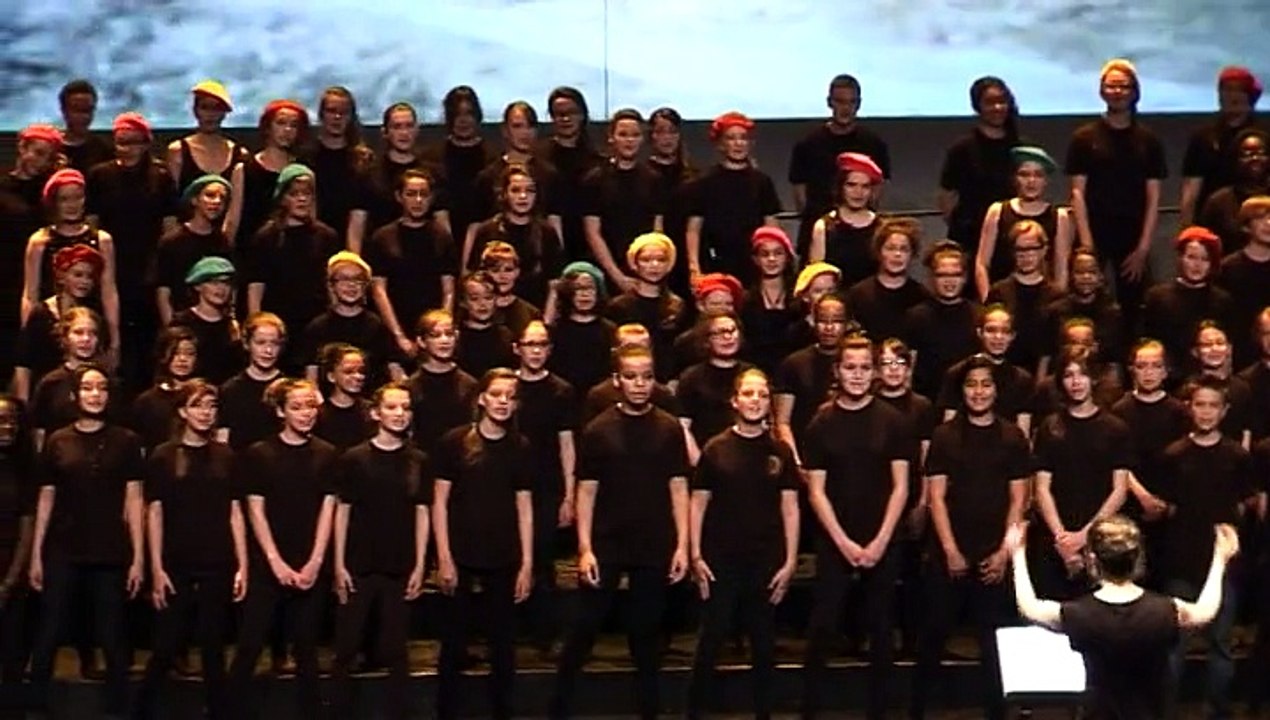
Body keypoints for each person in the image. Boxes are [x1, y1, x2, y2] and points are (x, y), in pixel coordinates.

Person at [551, 344, 690, 720]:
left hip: (654, 542)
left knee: (646, 636)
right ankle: (558, 709)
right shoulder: (599, 430)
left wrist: (683, 545)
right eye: (631, 377)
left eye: (646, 377)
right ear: (617, 380)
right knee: (584, 628)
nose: (639, 384)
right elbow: (586, 491)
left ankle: (649, 712)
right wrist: (585, 548)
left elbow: (679, 487)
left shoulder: (668, 428)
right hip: (608, 542)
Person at [1007, 516, 1240, 720]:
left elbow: (1030, 607)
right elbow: (1205, 610)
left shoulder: (1079, 613)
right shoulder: (1165, 610)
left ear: (1092, 560)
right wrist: (1220, 559)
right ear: (1137, 557)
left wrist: (1017, 554)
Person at [911, 354, 1030, 720]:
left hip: (994, 553)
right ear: (961, 390)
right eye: (971, 385)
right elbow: (936, 497)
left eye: (986, 384)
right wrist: (950, 550)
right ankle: (917, 711)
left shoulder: (1012, 436)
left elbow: (1019, 499)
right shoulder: (945, 435)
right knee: (932, 635)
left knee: (995, 643)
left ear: (996, 390)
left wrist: (1004, 553)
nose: (979, 392)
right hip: (949, 551)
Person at [802, 335, 910, 720]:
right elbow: (816, 491)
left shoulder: (893, 421)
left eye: (865, 367)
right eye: (850, 367)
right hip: (835, 538)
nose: (858, 375)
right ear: (837, 370)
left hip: (883, 537)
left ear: (875, 372)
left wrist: (880, 540)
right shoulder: (821, 423)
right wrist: (843, 542)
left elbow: (901, 486)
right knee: (823, 625)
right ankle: (810, 711)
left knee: (881, 627)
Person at [27, 363, 144, 718]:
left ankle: (118, 710)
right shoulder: (58, 440)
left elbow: (134, 500)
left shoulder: (126, 441)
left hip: (109, 549)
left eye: (102, 388)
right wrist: (36, 554)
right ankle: (35, 708)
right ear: (76, 395)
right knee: (49, 631)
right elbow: (46, 498)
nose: (96, 394)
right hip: (64, 548)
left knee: (112, 635)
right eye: (89, 388)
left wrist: (138, 556)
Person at [685, 369, 799, 720]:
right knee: (711, 639)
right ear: (735, 401)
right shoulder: (716, 448)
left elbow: (790, 507)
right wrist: (695, 554)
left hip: (765, 560)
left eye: (762, 395)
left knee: (764, 643)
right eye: (748, 394)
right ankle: (695, 712)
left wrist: (790, 561)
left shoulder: (779, 451)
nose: (755, 401)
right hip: (721, 560)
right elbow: (698, 504)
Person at [134, 380, 247, 720]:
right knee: (166, 646)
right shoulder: (164, 456)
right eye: (198, 405)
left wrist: (242, 564)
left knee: (213, 648)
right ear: (183, 411)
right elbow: (154, 513)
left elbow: (235, 511)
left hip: (217, 560)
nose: (206, 413)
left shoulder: (226, 455)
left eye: (211, 406)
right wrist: (156, 568)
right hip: (176, 562)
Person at [226, 378, 337, 719]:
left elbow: (328, 509)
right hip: (268, 564)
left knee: (306, 650)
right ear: (280, 411)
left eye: (310, 406)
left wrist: (315, 561)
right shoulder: (260, 454)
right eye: (297, 407)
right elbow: (255, 510)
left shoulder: (327, 454)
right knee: (250, 645)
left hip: (309, 563)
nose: (306, 414)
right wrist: (275, 562)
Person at [433, 369, 533, 720]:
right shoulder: (455, 442)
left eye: (510, 396)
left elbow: (524, 506)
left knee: (503, 644)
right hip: (461, 551)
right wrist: (444, 556)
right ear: (482, 399)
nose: (503, 402)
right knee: (454, 642)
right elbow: (440, 502)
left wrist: (527, 563)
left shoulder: (520, 447)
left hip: (503, 554)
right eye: (496, 394)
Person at [1156, 376, 1256, 719]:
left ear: (1224, 410)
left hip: (1222, 564)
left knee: (1221, 644)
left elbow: (1245, 504)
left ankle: (1217, 711)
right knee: (1175, 646)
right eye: (1200, 404)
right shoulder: (1174, 455)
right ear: (1190, 408)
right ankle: (1167, 712)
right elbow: (1166, 507)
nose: (1206, 411)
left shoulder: (1237, 456)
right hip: (1182, 562)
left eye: (1214, 405)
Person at [330, 382, 431, 720]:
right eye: (391, 407)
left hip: (399, 563)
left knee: (396, 650)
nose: (399, 414)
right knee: (346, 647)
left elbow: (422, 512)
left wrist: (420, 565)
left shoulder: (418, 460)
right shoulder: (355, 458)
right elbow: (342, 511)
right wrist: (338, 564)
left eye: (405, 407)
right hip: (360, 563)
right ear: (375, 413)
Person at [1065, 59, 1166, 331]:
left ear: (1135, 91)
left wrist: (1143, 248)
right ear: (1101, 91)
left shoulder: (1148, 140)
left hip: (1133, 234)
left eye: (1123, 86)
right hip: (1093, 232)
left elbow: (1154, 197)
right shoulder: (1084, 138)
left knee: (1133, 308)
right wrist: (1087, 245)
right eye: (1111, 86)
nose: (1117, 91)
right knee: (1087, 304)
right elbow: (1077, 192)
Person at [86, 111, 179, 388]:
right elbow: (92, 223)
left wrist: (163, 268)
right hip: (111, 268)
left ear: (146, 143)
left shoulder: (160, 176)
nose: (126, 149)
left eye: (133, 142)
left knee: (148, 341)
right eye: (121, 142)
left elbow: (169, 226)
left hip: (149, 269)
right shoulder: (100, 175)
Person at [1032, 344, 1132, 599]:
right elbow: (1041, 488)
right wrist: (1063, 540)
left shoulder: (1115, 428)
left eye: (1083, 374)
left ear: (1094, 378)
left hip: (1100, 540)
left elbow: (1119, 490)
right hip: (1055, 540)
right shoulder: (1050, 427)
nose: (1076, 382)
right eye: (1069, 375)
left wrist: (1085, 536)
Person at [512, 321, 577, 654]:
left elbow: (566, 444)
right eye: (530, 344)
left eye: (541, 345)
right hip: (508, 484)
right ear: (517, 348)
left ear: (549, 350)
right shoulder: (506, 388)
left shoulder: (561, 390)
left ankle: (545, 634)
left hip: (547, 486)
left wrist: (570, 494)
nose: (535, 351)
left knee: (542, 559)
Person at [1109, 339, 1191, 585]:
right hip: (1131, 503)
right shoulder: (1119, 411)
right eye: (1142, 366)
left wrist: (1166, 502)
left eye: (1156, 366)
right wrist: (1143, 496)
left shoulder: (1180, 412)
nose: (1149, 373)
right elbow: (1118, 462)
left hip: (1171, 509)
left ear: (1165, 371)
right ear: (1132, 370)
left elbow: (1184, 462)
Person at [22, 168, 121, 368]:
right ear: (53, 202)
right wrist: (26, 340)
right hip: (52, 322)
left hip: (91, 324)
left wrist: (115, 340)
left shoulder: (101, 240)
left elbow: (109, 291)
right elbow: (30, 294)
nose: (72, 205)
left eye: (77, 198)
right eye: (64, 199)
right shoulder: (40, 241)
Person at [244, 164, 341, 368]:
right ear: (282, 198)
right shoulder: (266, 237)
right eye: (294, 194)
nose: (302, 199)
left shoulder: (327, 236)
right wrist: (256, 323)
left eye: (307, 194)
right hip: (279, 321)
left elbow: (332, 282)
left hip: (315, 319)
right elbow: (256, 285)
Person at [788, 74, 891, 255]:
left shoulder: (873, 144)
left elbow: (878, 189)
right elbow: (800, 194)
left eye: (851, 102)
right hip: (816, 231)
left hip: (861, 236)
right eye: (840, 102)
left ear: (858, 104)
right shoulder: (808, 144)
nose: (846, 108)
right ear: (830, 102)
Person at [366, 168, 459, 356]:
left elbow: (448, 289)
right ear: (399, 197)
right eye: (411, 194)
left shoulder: (442, 237)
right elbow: (379, 290)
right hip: (395, 324)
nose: (418, 200)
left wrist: (440, 329)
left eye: (423, 194)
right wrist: (399, 336)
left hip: (433, 327)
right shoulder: (382, 237)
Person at [685, 111, 781, 285]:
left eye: (743, 138)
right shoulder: (704, 182)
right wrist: (694, 267)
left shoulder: (762, 182)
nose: (738, 143)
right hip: (715, 262)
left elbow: (771, 226)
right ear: (720, 144)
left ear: (750, 143)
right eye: (731, 138)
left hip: (753, 264)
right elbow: (694, 229)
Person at [0, 124, 63, 378]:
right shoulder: (3, 188)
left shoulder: (49, 193)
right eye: (37, 152)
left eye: (47, 157)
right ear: (22, 148)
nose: (40, 161)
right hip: (6, 282)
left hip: (41, 281)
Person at [938, 76, 1021, 259]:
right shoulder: (962, 149)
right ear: (977, 106)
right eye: (990, 102)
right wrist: (959, 225)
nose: (997, 107)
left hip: (1010, 235)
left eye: (1002, 101)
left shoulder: (1020, 147)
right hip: (970, 237)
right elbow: (946, 195)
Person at [581, 108, 663, 293]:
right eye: (623, 134)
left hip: (645, 272)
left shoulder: (654, 179)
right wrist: (617, 276)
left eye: (635, 135)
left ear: (642, 139)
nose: (629, 140)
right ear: (611, 138)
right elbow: (593, 233)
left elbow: (657, 231)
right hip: (607, 273)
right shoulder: (594, 180)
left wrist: (648, 270)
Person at [976, 146, 1074, 297]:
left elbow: (1061, 268)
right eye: (1024, 174)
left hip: (1042, 299)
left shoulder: (1058, 216)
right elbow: (982, 264)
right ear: (1015, 178)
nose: (1031, 181)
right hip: (1003, 297)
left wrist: (1057, 302)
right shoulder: (998, 211)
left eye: (1038, 175)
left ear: (1046, 181)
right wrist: (988, 301)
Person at [13, 244, 105, 402]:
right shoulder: (41, 314)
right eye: (78, 275)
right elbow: (24, 362)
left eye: (90, 277)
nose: (85, 281)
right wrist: (23, 402)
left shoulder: (94, 312)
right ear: (62, 276)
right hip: (47, 392)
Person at [1140, 226, 1234, 379]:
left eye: (1205, 259)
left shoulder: (1222, 301)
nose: (1197, 265)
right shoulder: (1157, 298)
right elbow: (1148, 342)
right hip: (1169, 379)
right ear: (1180, 258)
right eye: (1191, 257)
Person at [467, 163, 564, 308]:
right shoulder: (487, 231)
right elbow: (474, 277)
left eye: (530, 191)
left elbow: (554, 283)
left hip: (534, 311)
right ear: (504, 194)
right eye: (516, 190)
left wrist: (546, 318)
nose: (523, 196)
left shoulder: (546, 232)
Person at [303, 251, 402, 392]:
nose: (351, 285)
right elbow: (311, 376)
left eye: (358, 279)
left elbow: (394, 368)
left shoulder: (377, 326)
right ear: (331, 285)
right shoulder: (317, 328)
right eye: (344, 279)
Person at [1180, 66, 1264, 227]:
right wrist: (1187, 228)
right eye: (1227, 90)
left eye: (1239, 90)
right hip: (1211, 221)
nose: (1232, 96)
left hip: (1258, 223)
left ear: (1251, 96)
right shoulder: (1203, 137)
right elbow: (1191, 188)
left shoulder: (1263, 137)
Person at [936, 304, 1036, 435]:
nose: (998, 337)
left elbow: (1023, 431)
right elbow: (948, 423)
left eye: (1005, 331)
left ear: (1013, 336)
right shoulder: (957, 373)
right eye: (991, 330)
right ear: (980, 333)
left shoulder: (1022, 379)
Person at [774, 294, 849, 465]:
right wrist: (795, 462)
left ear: (847, 324)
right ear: (813, 322)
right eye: (823, 320)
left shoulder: (858, 364)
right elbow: (782, 422)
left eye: (836, 321)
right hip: (805, 456)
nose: (829, 327)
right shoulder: (794, 364)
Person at [418, 86, 495, 252]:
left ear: (477, 116)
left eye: (468, 114)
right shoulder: (431, 159)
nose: (463, 121)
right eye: (457, 114)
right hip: (440, 243)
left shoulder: (493, 159)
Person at [605, 232, 689, 383]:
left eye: (661, 260)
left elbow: (681, 350)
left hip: (668, 381)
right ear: (634, 263)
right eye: (646, 260)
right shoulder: (619, 306)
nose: (654, 265)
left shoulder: (677, 305)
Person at [362, 102, 451, 240]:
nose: (404, 133)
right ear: (385, 132)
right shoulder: (370, 176)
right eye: (397, 127)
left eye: (409, 126)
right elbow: (357, 224)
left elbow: (442, 223)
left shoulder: (434, 174)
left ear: (417, 130)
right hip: (380, 250)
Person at [227, 99, 309, 246]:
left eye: (294, 125)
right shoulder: (245, 169)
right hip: (251, 251)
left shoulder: (303, 170)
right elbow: (233, 220)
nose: (287, 130)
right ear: (267, 127)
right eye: (281, 123)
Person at [904, 240, 980, 398]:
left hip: (968, 400)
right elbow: (909, 366)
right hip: (927, 400)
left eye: (955, 275)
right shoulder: (916, 317)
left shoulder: (978, 316)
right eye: (942, 275)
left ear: (965, 277)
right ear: (932, 277)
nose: (949, 281)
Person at [300, 86, 373, 250]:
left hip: (352, 243)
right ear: (321, 114)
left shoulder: (362, 160)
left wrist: (352, 255)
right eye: (331, 111)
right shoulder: (306, 157)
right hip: (313, 243)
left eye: (343, 112)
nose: (337, 117)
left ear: (351, 117)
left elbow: (360, 209)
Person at [984, 219, 1062, 373]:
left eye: (1032, 248)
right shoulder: (999, 292)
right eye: (1020, 249)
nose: (1026, 255)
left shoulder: (1056, 295)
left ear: (1044, 250)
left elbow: (1053, 345)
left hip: (1043, 373)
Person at [155, 174, 234, 324]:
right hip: (182, 321)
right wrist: (171, 327)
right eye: (210, 195)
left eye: (222, 198)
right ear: (194, 200)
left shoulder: (222, 242)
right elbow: (163, 291)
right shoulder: (172, 241)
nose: (217, 202)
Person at [677, 312, 753, 464]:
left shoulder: (751, 374)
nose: (727, 337)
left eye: (732, 330)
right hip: (706, 459)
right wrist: (700, 464)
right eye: (719, 333)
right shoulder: (691, 378)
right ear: (706, 340)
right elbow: (683, 427)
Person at [538, 86, 604, 261]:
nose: (565, 119)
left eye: (571, 113)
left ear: (582, 115)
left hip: (590, 248)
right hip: (548, 247)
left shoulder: (596, 160)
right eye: (559, 114)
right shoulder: (539, 157)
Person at [1040, 247, 1125, 381]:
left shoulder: (1112, 313)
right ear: (1071, 275)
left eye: (1092, 272)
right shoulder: (1055, 311)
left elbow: (1114, 360)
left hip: (1099, 380)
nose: (1086, 277)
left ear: (1100, 276)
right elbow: (1046, 356)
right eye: (1080, 272)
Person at [0, 396, 34, 718]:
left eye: (12, 421)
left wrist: (9, 582)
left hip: (11, 566)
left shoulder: (23, 467)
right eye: (1, 420)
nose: (7, 426)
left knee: (12, 652)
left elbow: (27, 525)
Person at [845, 216, 929, 343]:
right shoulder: (858, 294)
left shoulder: (921, 296)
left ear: (912, 254)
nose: (897, 254)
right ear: (879, 252)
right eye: (891, 248)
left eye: (904, 249)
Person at [406, 309, 478, 455]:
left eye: (449, 334)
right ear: (421, 342)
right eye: (435, 335)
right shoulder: (410, 387)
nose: (444, 340)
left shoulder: (470, 384)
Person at [645, 107, 698, 299]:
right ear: (651, 136)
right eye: (660, 132)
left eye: (672, 132)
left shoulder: (692, 176)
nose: (667, 138)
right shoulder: (644, 174)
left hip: (687, 253)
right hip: (655, 253)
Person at [166, 80, 249, 197]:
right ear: (195, 110)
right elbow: (172, 198)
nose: (211, 114)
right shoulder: (178, 151)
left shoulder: (240, 154)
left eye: (216, 108)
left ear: (224, 113)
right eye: (205, 107)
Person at [217, 312, 285, 451]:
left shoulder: (288, 389)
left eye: (274, 344)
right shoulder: (230, 390)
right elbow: (222, 440)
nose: (268, 350)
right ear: (247, 344)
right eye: (260, 343)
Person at [546, 262, 617, 396]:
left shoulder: (610, 330)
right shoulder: (557, 330)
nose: (584, 294)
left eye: (590, 288)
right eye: (578, 288)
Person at [169, 256, 242, 384]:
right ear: (198, 286)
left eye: (226, 283)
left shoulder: (233, 325)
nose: (221, 289)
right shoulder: (182, 322)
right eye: (214, 283)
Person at [1217, 196, 1270, 369]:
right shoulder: (1228, 268)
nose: (1268, 224)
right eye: (1260, 218)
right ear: (1246, 226)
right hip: (1241, 354)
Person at [1198, 128, 1270, 256]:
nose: (1255, 158)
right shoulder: (1218, 202)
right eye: (1247, 154)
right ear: (1235, 160)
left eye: (1261, 153)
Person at [741, 227, 800, 376]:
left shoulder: (799, 295)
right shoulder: (745, 299)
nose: (771, 259)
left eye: (778, 253)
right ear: (755, 259)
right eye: (765, 254)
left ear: (787, 257)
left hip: (792, 370)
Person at [130, 326, 199, 452]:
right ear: (162, 355)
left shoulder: (204, 398)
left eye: (189, 354)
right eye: (176, 353)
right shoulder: (146, 402)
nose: (182, 359)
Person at [312, 343, 374, 452]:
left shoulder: (372, 412)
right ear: (331, 376)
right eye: (349, 372)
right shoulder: (318, 414)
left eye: (361, 371)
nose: (358, 377)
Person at [455, 271, 516, 378]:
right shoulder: (456, 337)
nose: (482, 304)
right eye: (474, 299)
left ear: (496, 299)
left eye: (488, 298)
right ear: (463, 302)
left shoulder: (506, 336)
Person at [482, 241, 544, 338]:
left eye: (508, 270)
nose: (502, 276)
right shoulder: (477, 311)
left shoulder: (531, 313)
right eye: (495, 270)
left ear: (517, 272)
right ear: (485, 273)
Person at [56, 79, 112, 173]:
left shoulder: (105, 150)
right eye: (76, 110)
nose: (83, 116)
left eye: (88, 110)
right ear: (63, 110)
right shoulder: (51, 150)